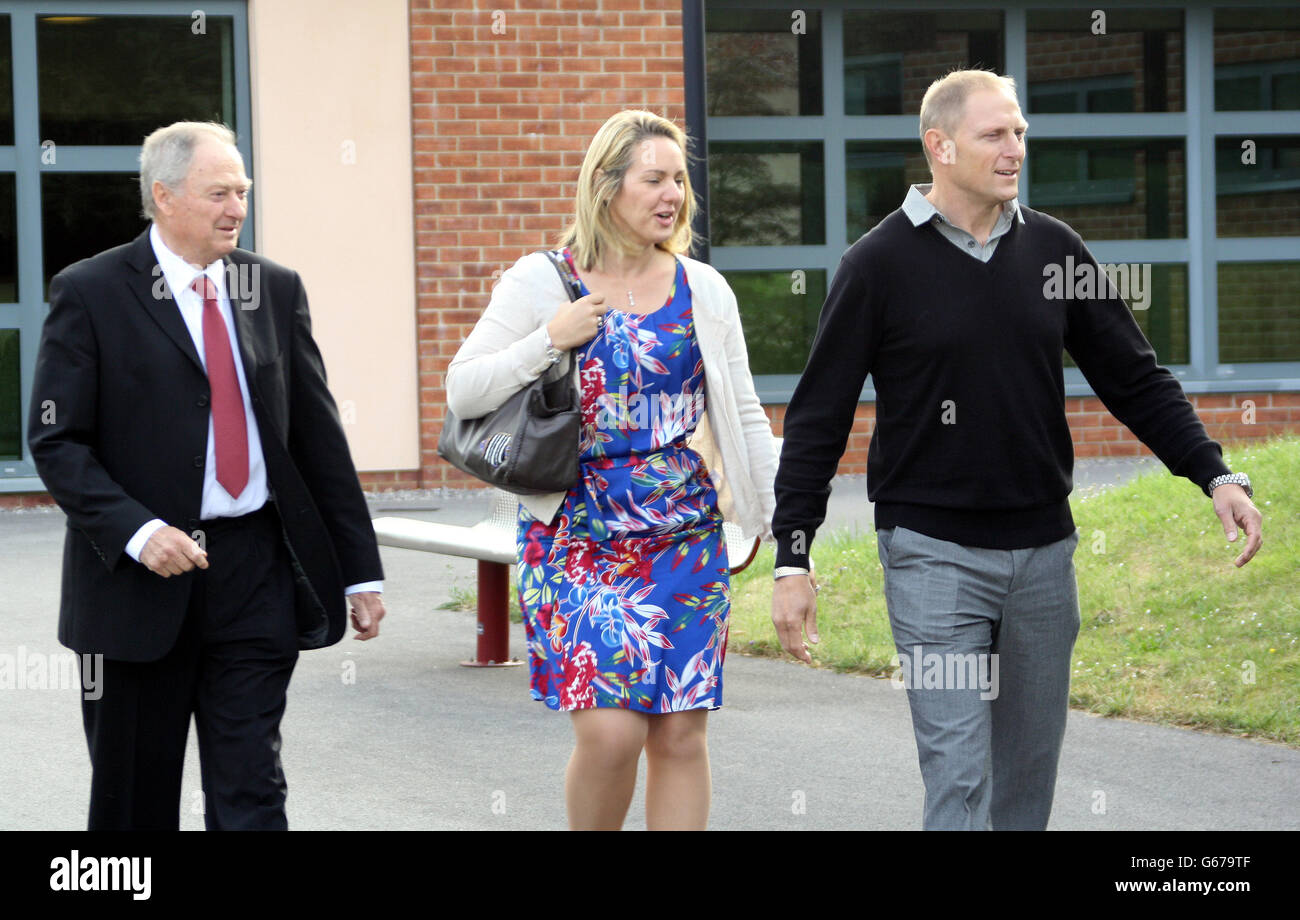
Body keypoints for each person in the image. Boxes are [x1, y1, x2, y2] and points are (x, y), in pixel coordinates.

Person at [770, 71, 1263, 831]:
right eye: (995, 135)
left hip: (1042, 556)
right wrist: (794, 557)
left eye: (1021, 133)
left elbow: (1134, 379)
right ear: (940, 147)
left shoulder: (1054, 248)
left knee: (1024, 793)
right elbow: (817, 421)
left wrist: (1214, 471)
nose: (1016, 150)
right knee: (960, 779)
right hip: (932, 555)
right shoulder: (877, 266)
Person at [27, 121, 386, 830]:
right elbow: (57, 438)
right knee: (134, 800)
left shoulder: (271, 289)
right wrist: (138, 531)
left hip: (254, 572)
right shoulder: (92, 291)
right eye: (218, 192)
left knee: (252, 789)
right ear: (164, 196)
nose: (236, 207)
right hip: (136, 585)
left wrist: (359, 573)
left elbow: (317, 442)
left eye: (242, 191)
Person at [446, 110, 777, 830]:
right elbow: (463, 389)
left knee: (681, 733)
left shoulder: (703, 289)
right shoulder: (545, 280)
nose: (672, 195)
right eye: (653, 179)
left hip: (684, 533)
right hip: (577, 534)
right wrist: (547, 340)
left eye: (679, 180)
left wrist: (789, 535)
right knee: (611, 731)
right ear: (604, 187)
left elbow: (745, 416)